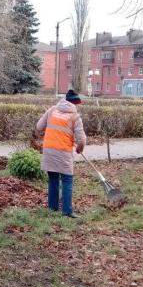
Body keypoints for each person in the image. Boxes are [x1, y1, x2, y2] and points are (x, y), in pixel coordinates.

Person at [36, 89, 86, 218]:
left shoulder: (52, 110)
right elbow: (81, 140)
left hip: (49, 150)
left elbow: (39, 127)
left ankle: (52, 208)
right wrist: (80, 148)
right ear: (74, 103)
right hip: (63, 152)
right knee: (67, 180)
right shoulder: (75, 117)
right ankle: (67, 212)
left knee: (53, 178)